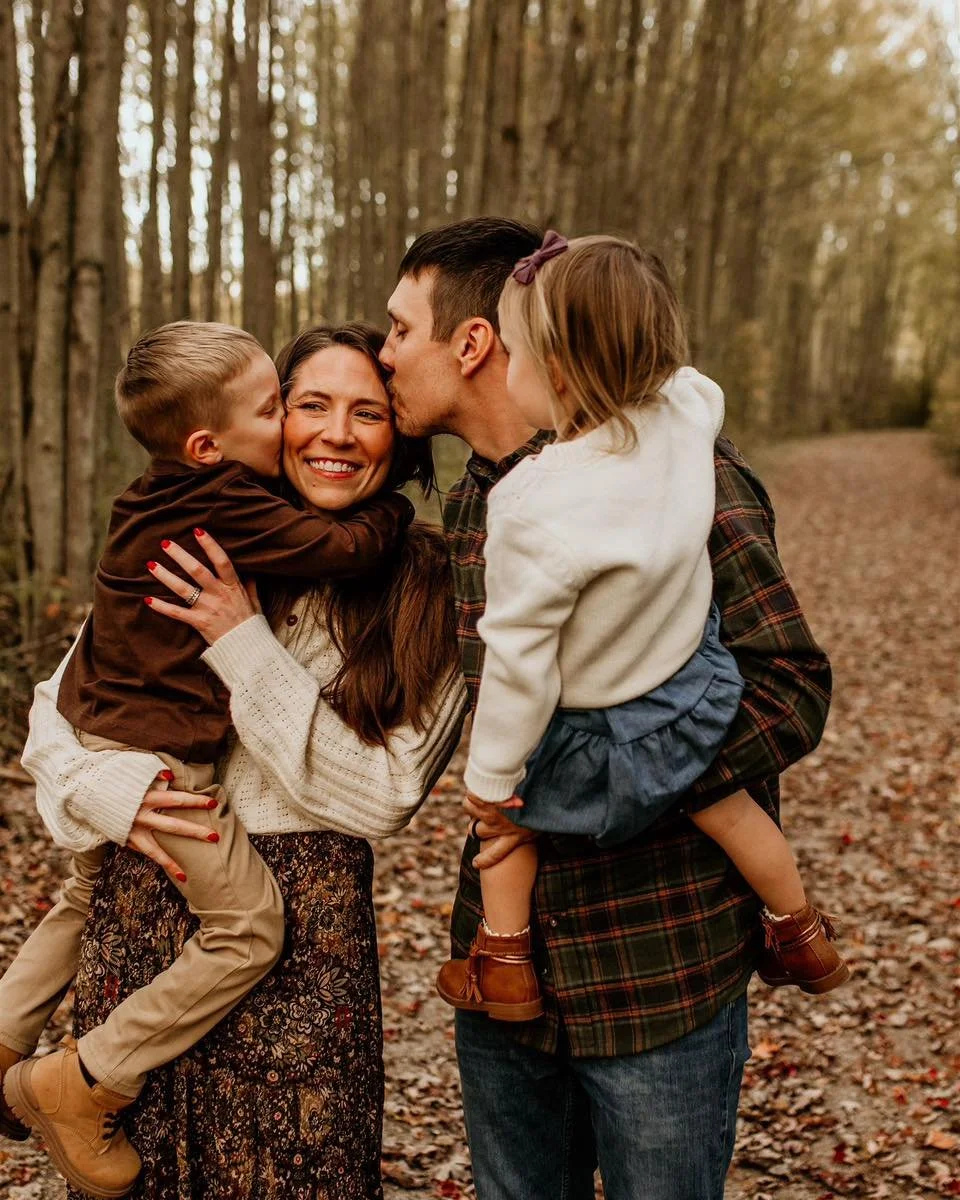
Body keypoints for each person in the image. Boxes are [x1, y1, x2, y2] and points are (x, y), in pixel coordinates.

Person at [380, 217, 834, 1200]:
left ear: (476, 343)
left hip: (658, 968)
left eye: (399, 330)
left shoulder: (684, 478)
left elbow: (791, 689)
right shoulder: (476, 506)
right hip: (506, 970)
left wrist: (620, 782)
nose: (384, 355)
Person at [7, 323, 467, 1199]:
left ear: (401, 431)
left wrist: (243, 641)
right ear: (271, 420)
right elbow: (58, 711)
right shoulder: (205, 532)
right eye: (309, 404)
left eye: (368, 412)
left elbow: (388, 793)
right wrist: (115, 791)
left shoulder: (426, 583)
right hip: (140, 935)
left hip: (307, 962)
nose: (337, 433)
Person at [434, 233, 848, 1024]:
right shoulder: (684, 418)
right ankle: (799, 931)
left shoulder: (527, 502)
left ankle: (506, 961)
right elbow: (691, 384)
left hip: (592, 723)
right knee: (732, 810)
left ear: (556, 371)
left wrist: (489, 778)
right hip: (691, 690)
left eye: (514, 354)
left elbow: (518, 662)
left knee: (512, 822)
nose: (506, 373)